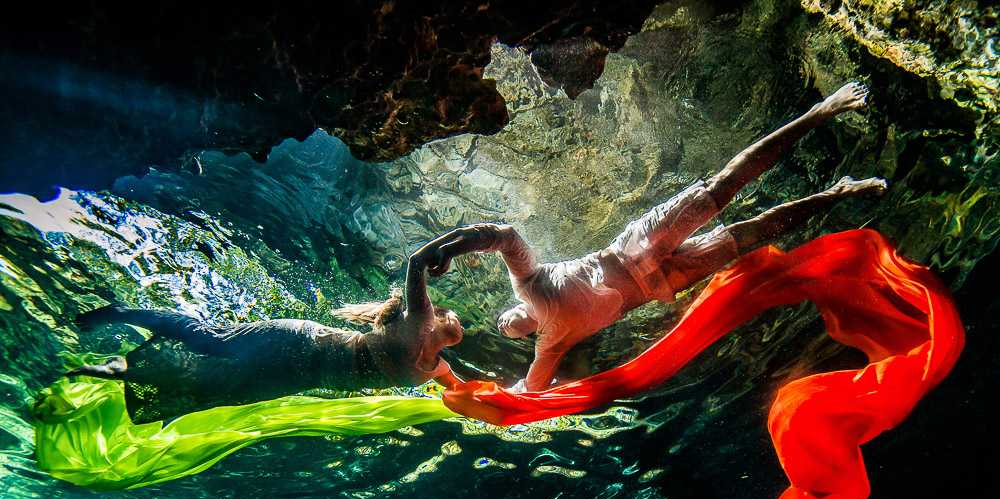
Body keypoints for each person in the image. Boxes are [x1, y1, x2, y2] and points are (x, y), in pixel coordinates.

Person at [422, 82, 887, 392]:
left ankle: (819, 112)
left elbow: (504, 236)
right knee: (750, 235)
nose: (502, 325)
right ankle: (835, 194)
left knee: (723, 187)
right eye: (505, 331)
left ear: (513, 308)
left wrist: (450, 245)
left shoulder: (529, 284)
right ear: (526, 337)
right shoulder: (550, 345)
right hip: (662, 285)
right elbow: (527, 392)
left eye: (501, 319)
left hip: (635, 248)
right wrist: (472, 398)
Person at [67, 237, 465, 423]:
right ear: (436, 314)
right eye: (455, 317)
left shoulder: (436, 367)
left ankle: (122, 369)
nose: (461, 323)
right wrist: (450, 249)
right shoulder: (419, 321)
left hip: (298, 376)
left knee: (216, 392)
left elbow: (461, 390)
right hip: (298, 341)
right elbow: (417, 259)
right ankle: (121, 312)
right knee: (213, 342)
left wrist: (517, 402)